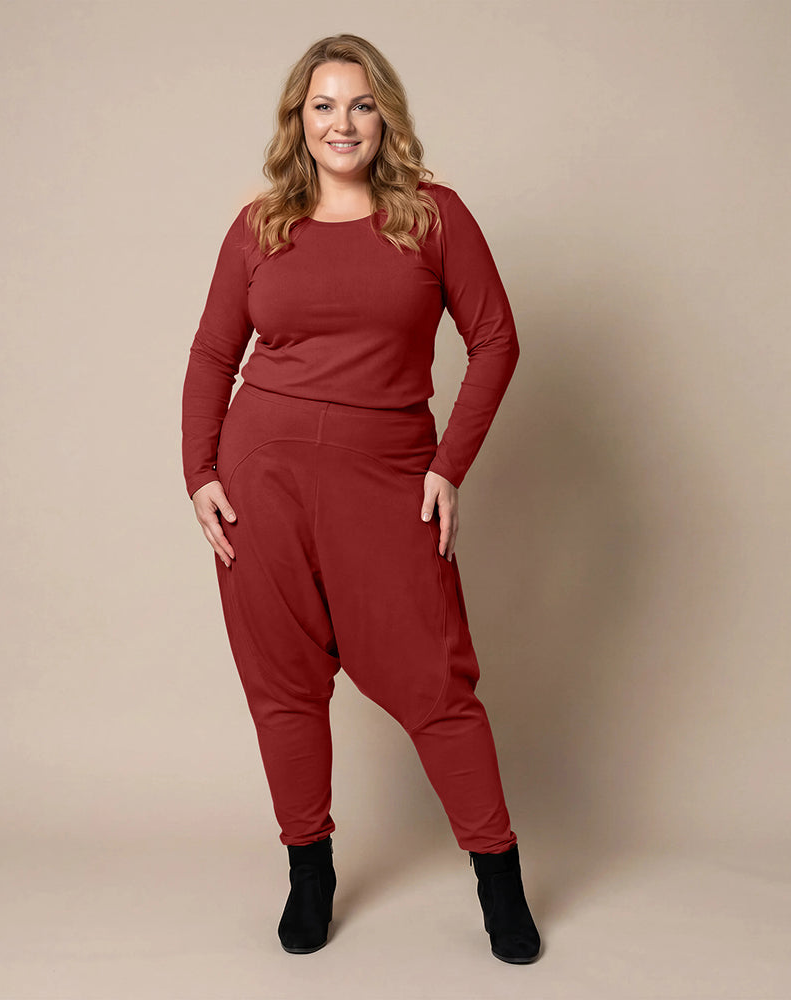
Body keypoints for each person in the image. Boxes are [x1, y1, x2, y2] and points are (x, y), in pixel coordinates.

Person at [181, 33, 541, 964]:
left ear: (386, 117)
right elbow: (214, 354)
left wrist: (449, 466)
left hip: (386, 486)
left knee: (436, 686)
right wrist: (200, 474)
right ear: (298, 122)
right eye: (323, 106)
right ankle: (310, 872)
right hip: (259, 486)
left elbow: (496, 340)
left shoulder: (433, 217)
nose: (342, 123)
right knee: (283, 688)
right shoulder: (260, 226)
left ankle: (499, 879)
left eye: (361, 104)